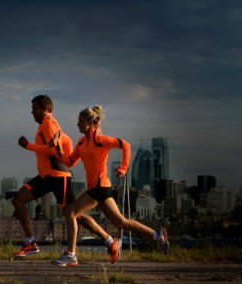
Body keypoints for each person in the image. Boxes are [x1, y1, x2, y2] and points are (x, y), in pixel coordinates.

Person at [51, 105, 169, 267]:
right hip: (98, 189)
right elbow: (69, 161)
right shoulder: (82, 142)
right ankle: (157, 234)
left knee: (70, 212)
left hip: (100, 187)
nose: (77, 124)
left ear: (92, 123)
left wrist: (123, 168)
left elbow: (125, 145)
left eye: (81, 121)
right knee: (121, 222)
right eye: (78, 121)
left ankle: (71, 254)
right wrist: (57, 148)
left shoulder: (100, 140)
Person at [13, 95, 120, 264]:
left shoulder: (49, 124)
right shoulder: (48, 124)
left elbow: (54, 149)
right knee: (19, 200)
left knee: (73, 215)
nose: (32, 112)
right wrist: (68, 157)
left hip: (58, 176)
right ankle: (30, 243)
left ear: (45, 109)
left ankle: (105, 242)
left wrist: (29, 146)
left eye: (34, 109)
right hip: (47, 176)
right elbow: (67, 141)